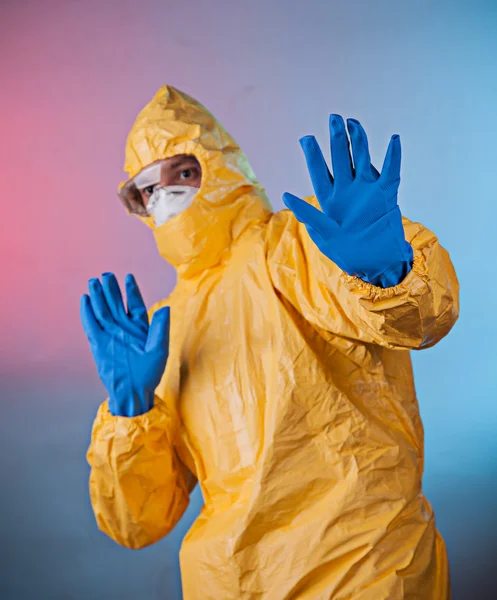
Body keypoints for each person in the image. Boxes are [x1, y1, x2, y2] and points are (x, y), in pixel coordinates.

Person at [81, 85, 459, 599]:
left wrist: (387, 268)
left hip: (362, 565)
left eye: (184, 173)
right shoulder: (163, 333)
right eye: (148, 189)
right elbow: (137, 523)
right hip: (229, 582)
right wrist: (130, 410)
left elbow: (423, 321)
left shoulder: (297, 246)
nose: (166, 196)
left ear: (222, 167)